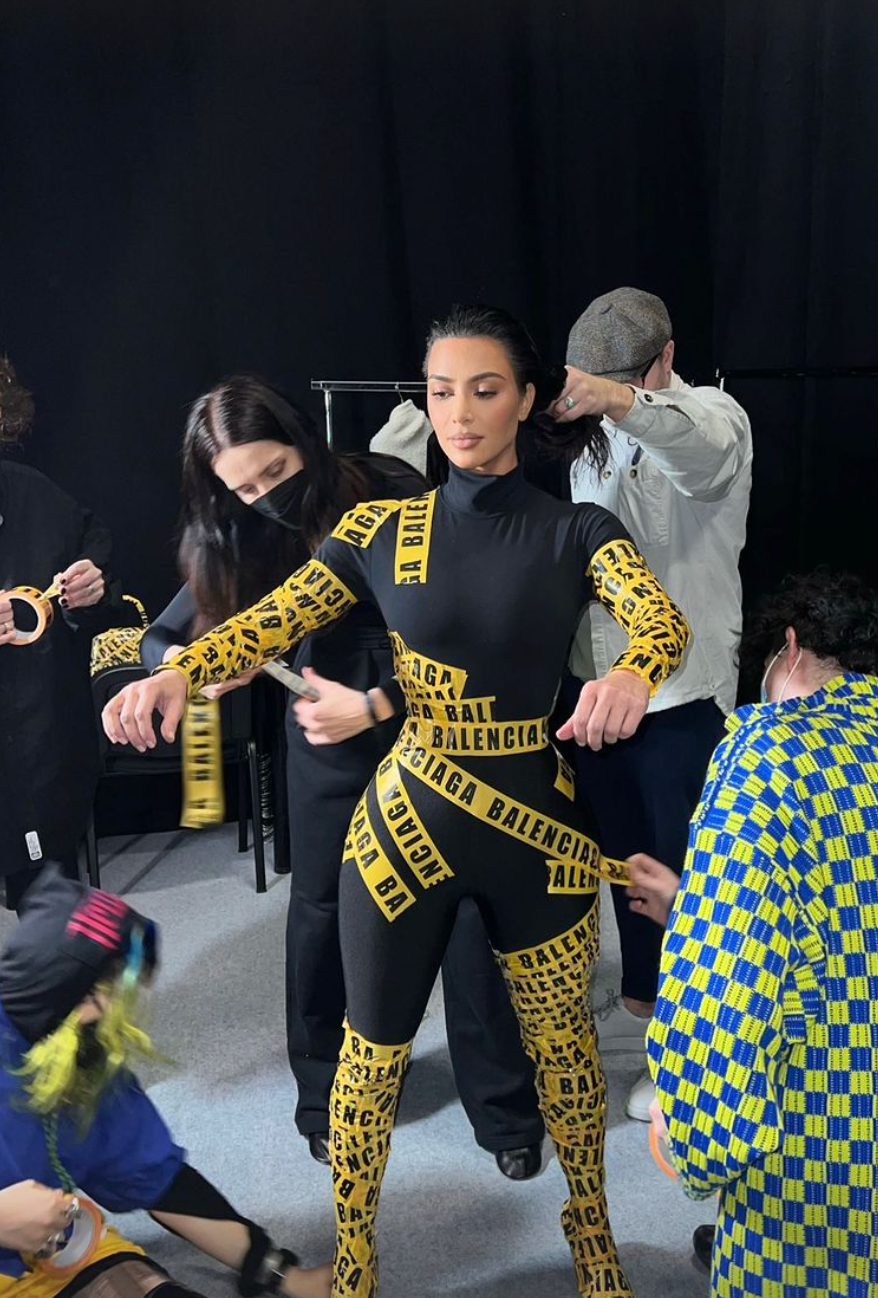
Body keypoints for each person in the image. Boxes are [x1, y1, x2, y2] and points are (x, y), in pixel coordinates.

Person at [103, 305, 690, 1298]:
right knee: (367, 1058)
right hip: (404, 817)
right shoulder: (378, 528)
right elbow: (270, 621)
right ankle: (359, 1257)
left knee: (566, 1057)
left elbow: (656, 619)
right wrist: (180, 671)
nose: (458, 413)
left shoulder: (576, 530)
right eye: (439, 391)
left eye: (484, 389)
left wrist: (634, 669)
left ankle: (593, 1238)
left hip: (535, 829)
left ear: (527, 400)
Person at [138, 375, 545, 1179]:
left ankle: (504, 1111)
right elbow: (165, 635)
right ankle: (325, 1098)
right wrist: (191, 669)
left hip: (428, 724)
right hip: (320, 736)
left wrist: (377, 703)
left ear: (304, 445)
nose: (263, 498)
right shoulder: (232, 530)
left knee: (464, 912)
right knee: (322, 911)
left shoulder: (391, 489)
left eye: (274, 475)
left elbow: (473, 624)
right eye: (242, 488)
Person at [627, 570, 878, 1298]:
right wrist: (699, 900)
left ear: (789, 651)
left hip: (830, 1148)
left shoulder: (769, 753)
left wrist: (695, 1128)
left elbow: (727, 985)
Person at [551, 286, 752, 1122]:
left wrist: (621, 399)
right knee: (621, 863)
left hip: (681, 698)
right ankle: (642, 1001)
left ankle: (690, 1061)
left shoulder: (714, 414)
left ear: (663, 357)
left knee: (683, 876)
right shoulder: (586, 448)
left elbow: (694, 454)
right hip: (595, 694)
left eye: (618, 380)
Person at [0, 865, 332, 1298]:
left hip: (56, 1252)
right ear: (82, 998)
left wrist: (284, 1275)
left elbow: (158, 1180)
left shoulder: (80, 1060)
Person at [0, 356, 121, 912]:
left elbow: (94, 555)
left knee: (48, 896)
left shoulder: (31, 493)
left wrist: (90, 590)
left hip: (36, 737)